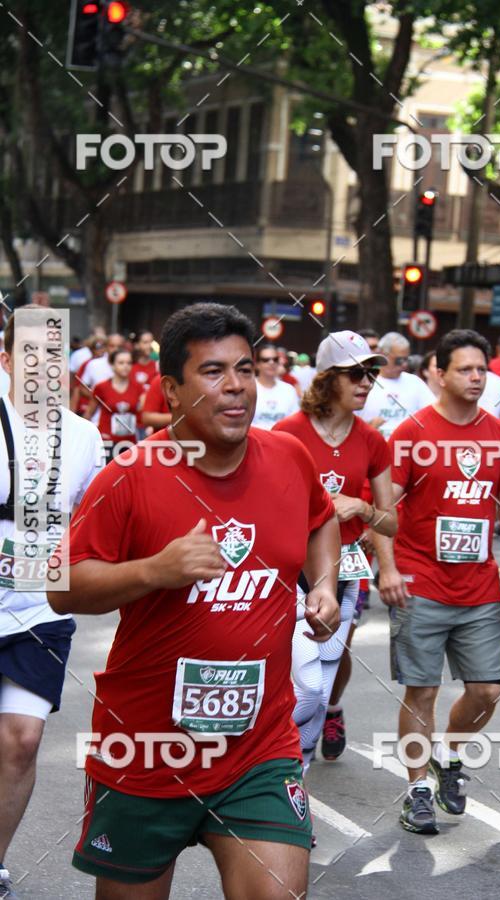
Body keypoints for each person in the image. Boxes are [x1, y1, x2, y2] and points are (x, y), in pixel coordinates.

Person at [48, 302, 340, 900]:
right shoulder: (130, 476)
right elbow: (61, 587)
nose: (235, 387)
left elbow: (322, 520)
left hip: (259, 749)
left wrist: (326, 585)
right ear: (172, 391)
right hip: (148, 749)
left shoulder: (288, 457)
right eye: (213, 372)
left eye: (245, 369)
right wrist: (155, 570)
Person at [374, 329, 500, 835]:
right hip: (421, 583)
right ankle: (418, 789)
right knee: (422, 692)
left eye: (482, 369)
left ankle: (448, 754)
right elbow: (384, 510)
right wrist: (389, 568)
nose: (477, 378)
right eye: (465, 369)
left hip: (479, 584)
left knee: (487, 691)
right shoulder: (411, 433)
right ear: (438, 373)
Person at [0, 309, 103, 900]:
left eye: (54, 356)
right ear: (9, 362)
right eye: (30, 355)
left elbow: (103, 524)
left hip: (39, 612)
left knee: (20, 740)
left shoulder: (86, 437)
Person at [274, 331, 397, 767]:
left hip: (344, 575)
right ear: (327, 379)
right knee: (304, 687)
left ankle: (295, 778)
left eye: (371, 373)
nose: (367, 382)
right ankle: (277, 759)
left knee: (320, 687)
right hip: (291, 576)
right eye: (356, 374)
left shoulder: (373, 441)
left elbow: (391, 520)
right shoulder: (287, 435)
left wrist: (361, 506)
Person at [357, 331, 434, 439]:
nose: (404, 364)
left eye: (407, 359)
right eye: (399, 360)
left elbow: (433, 415)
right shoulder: (364, 382)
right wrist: (367, 429)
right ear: (383, 354)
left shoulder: (415, 383)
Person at [85, 349, 144, 459]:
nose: (125, 366)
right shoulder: (101, 387)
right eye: (121, 363)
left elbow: (143, 413)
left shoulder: (138, 387)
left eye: (129, 363)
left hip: (129, 442)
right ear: (112, 365)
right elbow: (89, 413)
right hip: (106, 440)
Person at [252, 344, 300, 429]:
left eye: (275, 359)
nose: (271, 363)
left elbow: (295, 422)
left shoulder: (289, 390)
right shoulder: (249, 388)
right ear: (257, 364)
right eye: (265, 360)